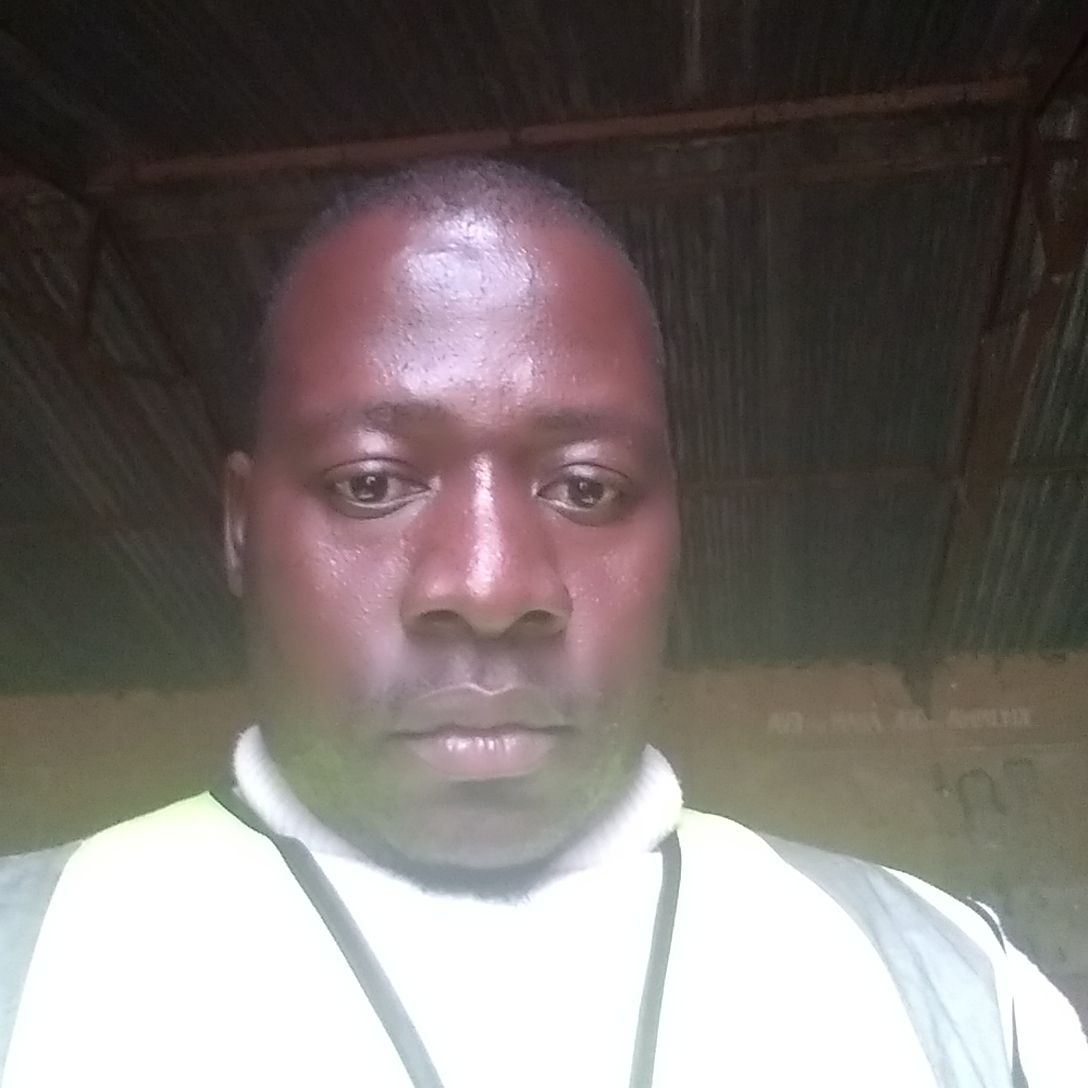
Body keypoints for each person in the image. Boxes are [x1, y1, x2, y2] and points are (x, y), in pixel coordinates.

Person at [0, 159, 1085, 1088]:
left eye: (586, 487)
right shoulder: (26, 959)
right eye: (371, 484)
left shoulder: (962, 991)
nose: (488, 584)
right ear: (241, 529)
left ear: (678, 530)